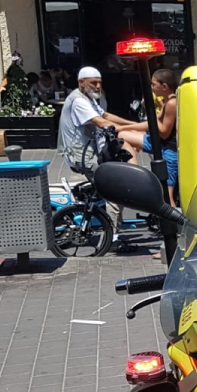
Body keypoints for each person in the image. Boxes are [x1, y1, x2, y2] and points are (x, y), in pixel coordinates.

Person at [57, 66, 138, 253]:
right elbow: (102, 123)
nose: (98, 86)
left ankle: (107, 219)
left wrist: (135, 124)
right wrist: (137, 130)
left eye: (100, 82)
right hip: (82, 155)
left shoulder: (88, 98)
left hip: (89, 151)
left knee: (113, 181)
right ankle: (113, 239)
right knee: (115, 191)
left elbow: (105, 115)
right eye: (93, 83)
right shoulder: (78, 101)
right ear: (81, 83)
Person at [118, 69, 178, 207]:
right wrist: (124, 128)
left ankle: (174, 221)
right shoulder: (167, 102)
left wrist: (151, 107)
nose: (151, 88)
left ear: (164, 86)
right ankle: (134, 170)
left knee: (166, 195)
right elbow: (151, 123)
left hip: (169, 150)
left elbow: (164, 132)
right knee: (122, 135)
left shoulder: (172, 103)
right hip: (159, 144)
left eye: (153, 84)